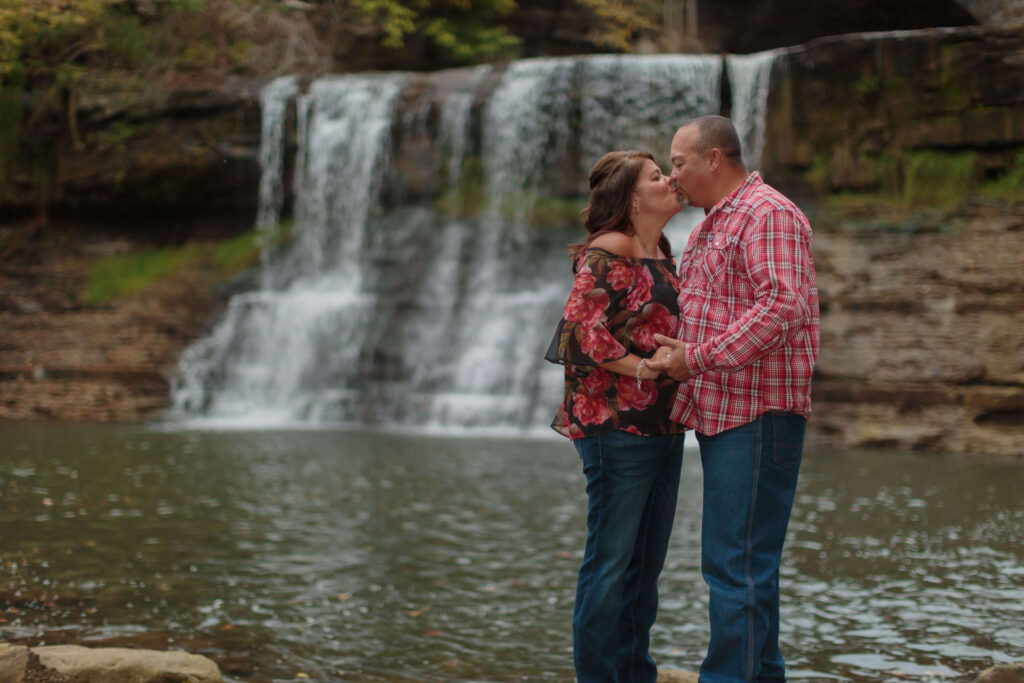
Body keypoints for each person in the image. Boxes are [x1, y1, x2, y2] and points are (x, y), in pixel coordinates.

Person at [646, 115, 820, 683]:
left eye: (678, 163)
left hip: (758, 415)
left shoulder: (767, 214)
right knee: (745, 567)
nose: (674, 178)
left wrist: (693, 359)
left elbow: (783, 307)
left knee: (735, 566)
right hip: (726, 414)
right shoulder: (712, 226)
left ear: (714, 159)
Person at [544, 150, 688, 683]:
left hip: (661, 427)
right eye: (656, 177)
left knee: (643, 568)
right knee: (610, 565)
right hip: (616, 428)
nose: (670, 180)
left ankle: (634, 674)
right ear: (631, 198)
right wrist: (647, 371)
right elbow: (579, 331)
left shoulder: (659, 250)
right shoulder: (611, 250)